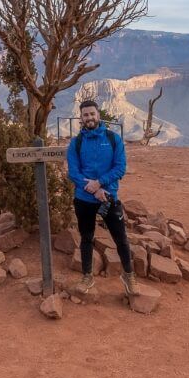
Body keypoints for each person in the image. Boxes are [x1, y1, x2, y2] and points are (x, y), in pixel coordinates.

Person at [67, 99, 139, 296]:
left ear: (98, 115)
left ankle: (128, 275)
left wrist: (99, 184)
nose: (89, 117)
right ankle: (87, 276)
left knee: (121, 239)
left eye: (92, 114)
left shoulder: (113, 138)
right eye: (85, 115)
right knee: (86, 238)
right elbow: (73, 172)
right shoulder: (76, 143)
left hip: (109, 197)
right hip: (84, 199)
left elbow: (120, 168)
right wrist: (92, 189)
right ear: (81, 118)